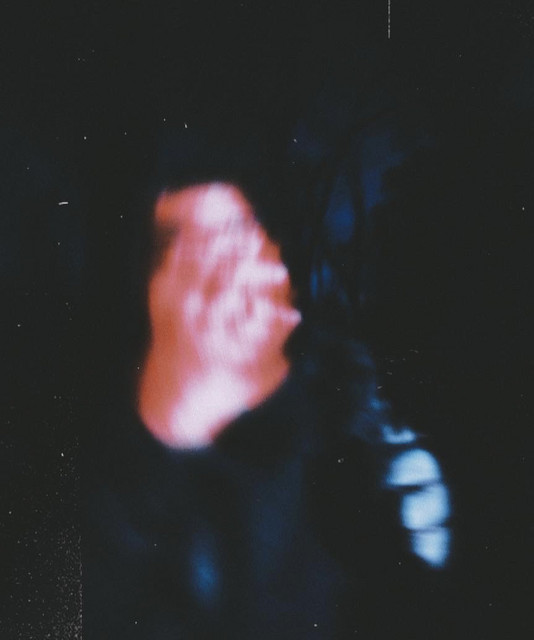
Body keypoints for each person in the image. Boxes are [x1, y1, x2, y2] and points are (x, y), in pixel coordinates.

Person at [83, 127, 453, 639]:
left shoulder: (334, 426)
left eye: (249, 237)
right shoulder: (79, 491)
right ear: (146, 293)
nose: (248, 276)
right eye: (207, 253)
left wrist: (414, 548)